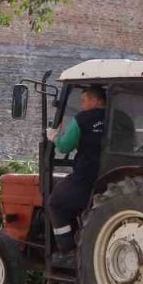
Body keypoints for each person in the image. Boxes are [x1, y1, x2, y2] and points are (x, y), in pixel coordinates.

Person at [46, 85, 106, 263]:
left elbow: (65, 146)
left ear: (95, 101)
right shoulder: (123, 119)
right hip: (112, 176)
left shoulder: (83, 119)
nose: (81, 105)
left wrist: (55, 137)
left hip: (87, 177)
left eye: (84, 100)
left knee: (55, 202)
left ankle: (67, 250)